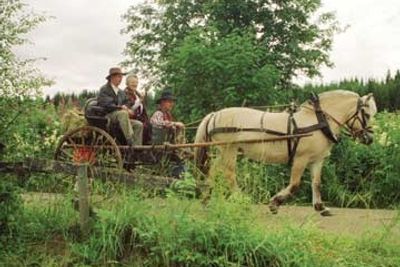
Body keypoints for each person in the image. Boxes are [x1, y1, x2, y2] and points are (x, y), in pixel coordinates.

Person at [97, 67, 143, 145]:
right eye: (118, 76)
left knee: (138, 124)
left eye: (121, 77)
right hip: (108, 115)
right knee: (123, 113)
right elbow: (107, 104)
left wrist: (127, 108)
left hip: (120, 117)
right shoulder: (104, 89)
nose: (121, 79)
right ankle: (130, 140)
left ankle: (137, 148)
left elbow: (128, 102)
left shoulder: (121, 92)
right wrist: (120, 107)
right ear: (112, 77)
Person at [124, 74, 151, 144]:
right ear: (127, 83)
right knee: (143, 126)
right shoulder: (125, 94)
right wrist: (140, 101)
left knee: (150, 125)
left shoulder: (137, 94)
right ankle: (138, 149)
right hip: (130, 118)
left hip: (139, 118)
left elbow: (143, 109)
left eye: (136, 82)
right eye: (132, 82)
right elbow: (129, 108)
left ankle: (147, 147)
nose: (135, 84)